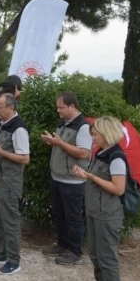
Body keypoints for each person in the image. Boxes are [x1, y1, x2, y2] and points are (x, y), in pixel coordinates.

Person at [73, 117, 128, 281]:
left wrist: (91, 177)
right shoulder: (102, 153)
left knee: (107, 256)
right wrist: (84, 174)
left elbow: (118, 188)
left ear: (106, 133)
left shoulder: (116, 157)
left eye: (95, 135)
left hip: (108, 213)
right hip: (95, 210)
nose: (93, 139)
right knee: (96, 254)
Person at [0, 94, 30, 275]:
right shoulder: (3, 124)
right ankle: (0, 252)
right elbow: (3, 146)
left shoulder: (19, 129)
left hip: (8, 182)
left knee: (9, 221)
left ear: (10, 108)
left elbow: (24, 158)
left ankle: (13, 260)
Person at [41, 91, 92, 266]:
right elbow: (64, 147)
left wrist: (59, 143)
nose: (58, 111)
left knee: (73, 217)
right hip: (58, 178)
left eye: (61, 107)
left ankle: (75, 252)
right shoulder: (63, 124)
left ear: (72, 106)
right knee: (59, 214)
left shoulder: (83, 127)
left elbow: (84, 153)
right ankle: (62, 244)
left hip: (73, 181)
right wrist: (52, 142)